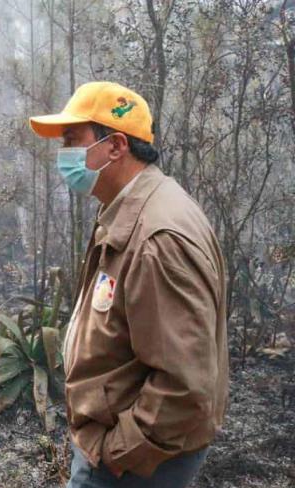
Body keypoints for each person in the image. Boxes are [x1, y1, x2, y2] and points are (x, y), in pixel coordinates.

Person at [29, 81, 228, 487]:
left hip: (136, 461)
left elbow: (185, 382)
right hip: (118, 444)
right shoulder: (128, 210)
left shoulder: (157, 235)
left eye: (72, 139)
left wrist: (117, 452)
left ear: (116, 146)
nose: (63, 155)